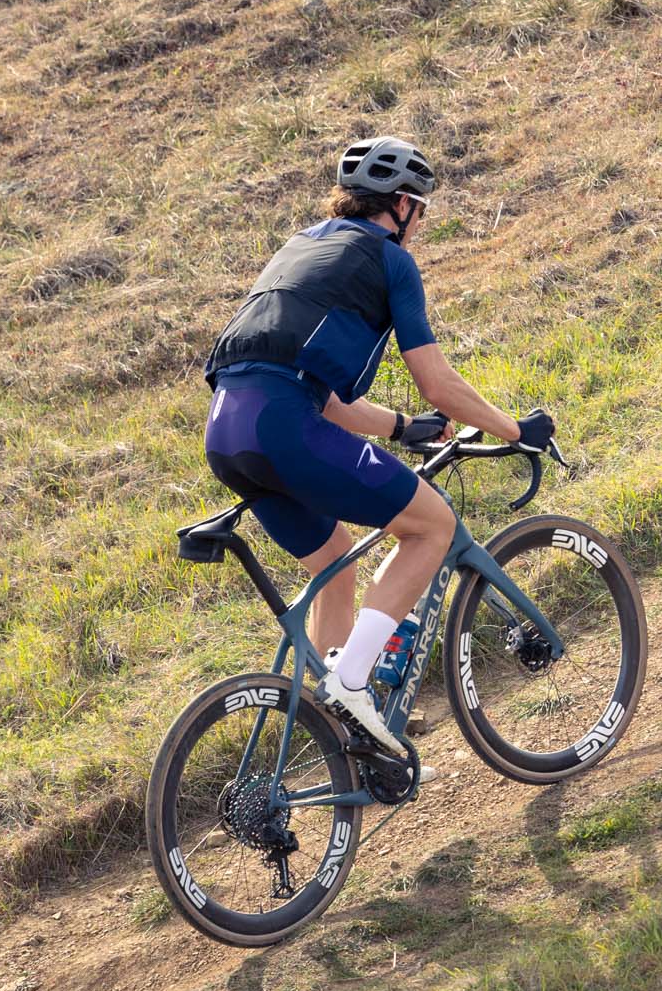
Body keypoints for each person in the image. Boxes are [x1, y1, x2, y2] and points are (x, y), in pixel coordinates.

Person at [200, 136, 554, 756]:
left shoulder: (302, 247)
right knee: (431, 526)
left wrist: (399, 426)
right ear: (402, 205)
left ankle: (339, 734)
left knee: (335, 561)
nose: (419, 224)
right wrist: (516, 431)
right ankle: (351, 681)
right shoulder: (390, 261)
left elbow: (316, 391)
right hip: (283, 425)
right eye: (420, 209)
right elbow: (439, 383)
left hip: (228, 431)